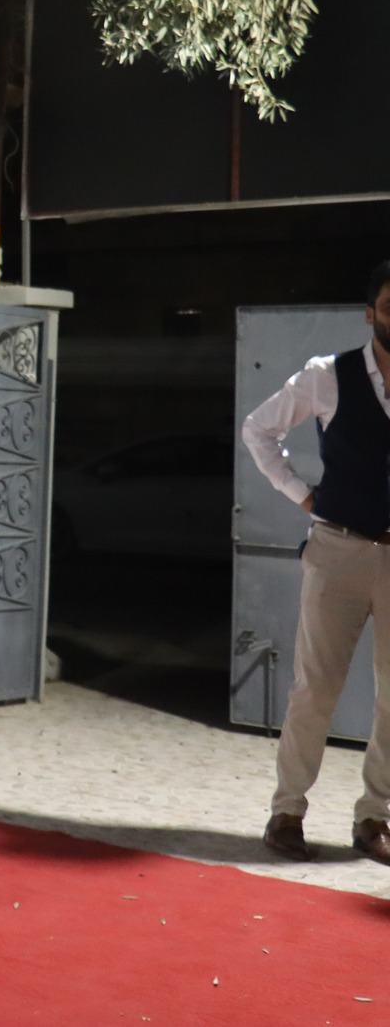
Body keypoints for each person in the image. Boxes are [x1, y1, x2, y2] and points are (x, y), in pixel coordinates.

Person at [243, 261, 390, 864]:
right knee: (316, 687)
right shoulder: (328, 375)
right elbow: (258, 430)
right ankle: (287, 812)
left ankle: (375, 817)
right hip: (339, 548)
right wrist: (303, 496)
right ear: (370, 313)